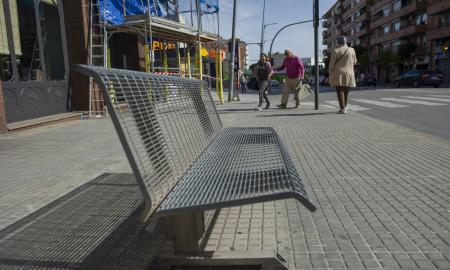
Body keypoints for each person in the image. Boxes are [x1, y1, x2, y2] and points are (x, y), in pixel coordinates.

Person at [329, 36, 357, 114]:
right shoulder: (352, 50)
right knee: (346, 91)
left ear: (338, 42)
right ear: (345, 41)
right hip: (350, 72)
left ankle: (342, 109)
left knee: (339, 90)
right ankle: (345, 107)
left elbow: (331, 65)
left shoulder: (336, 51)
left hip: (339, 73)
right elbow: (354, 62)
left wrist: (330, 73)